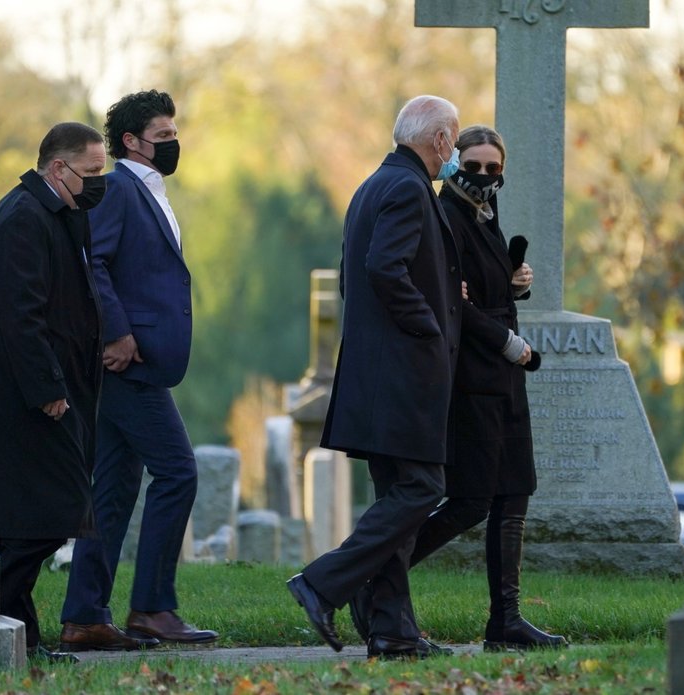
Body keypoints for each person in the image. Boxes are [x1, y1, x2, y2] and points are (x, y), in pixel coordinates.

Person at [350, 125, 567, 651]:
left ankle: (507, 620)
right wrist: (508, 343)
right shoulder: (444, 213)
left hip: (506, 376)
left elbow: (483, 286)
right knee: (470, 499)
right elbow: (454, 302)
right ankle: (370, 577)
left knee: (515, 491)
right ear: (455, 162)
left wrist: (518, 282)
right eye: (474, 165)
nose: (485, 176)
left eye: (494, 168)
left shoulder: (483, 214)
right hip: (474, 371)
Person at [286, 95, 464, 660]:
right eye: (453, 141)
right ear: (437, 140)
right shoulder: (409, 189)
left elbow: (350, 277)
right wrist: (429, 327)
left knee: (397, 500)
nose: (454, 152)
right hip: (402, 374)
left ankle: (393, 631)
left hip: (375, 372)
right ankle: (323, 583)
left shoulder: (373, 186)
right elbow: (382, 269)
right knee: (423, 488)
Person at [59, 90, 217, 651]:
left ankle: (83, 617)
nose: (174, 143)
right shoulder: (120, 187)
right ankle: (151, 608)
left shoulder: (150, 189)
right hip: (128, 366)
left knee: (114, 490)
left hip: (140, 364)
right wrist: (119, 332)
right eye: (163, 135)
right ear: (131, 141)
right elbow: (91, 260)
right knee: (178, 472)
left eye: (174, 133)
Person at [0, 122, 116, 662]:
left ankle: (21, 635)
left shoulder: (60, 213)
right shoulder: (21, 219)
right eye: (92, 173)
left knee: (33, 520)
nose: (98, 183)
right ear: (58, 168)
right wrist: (47, 388)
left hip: (62, 391)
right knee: (51, 514)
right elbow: (21, 315)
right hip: (33, 398)